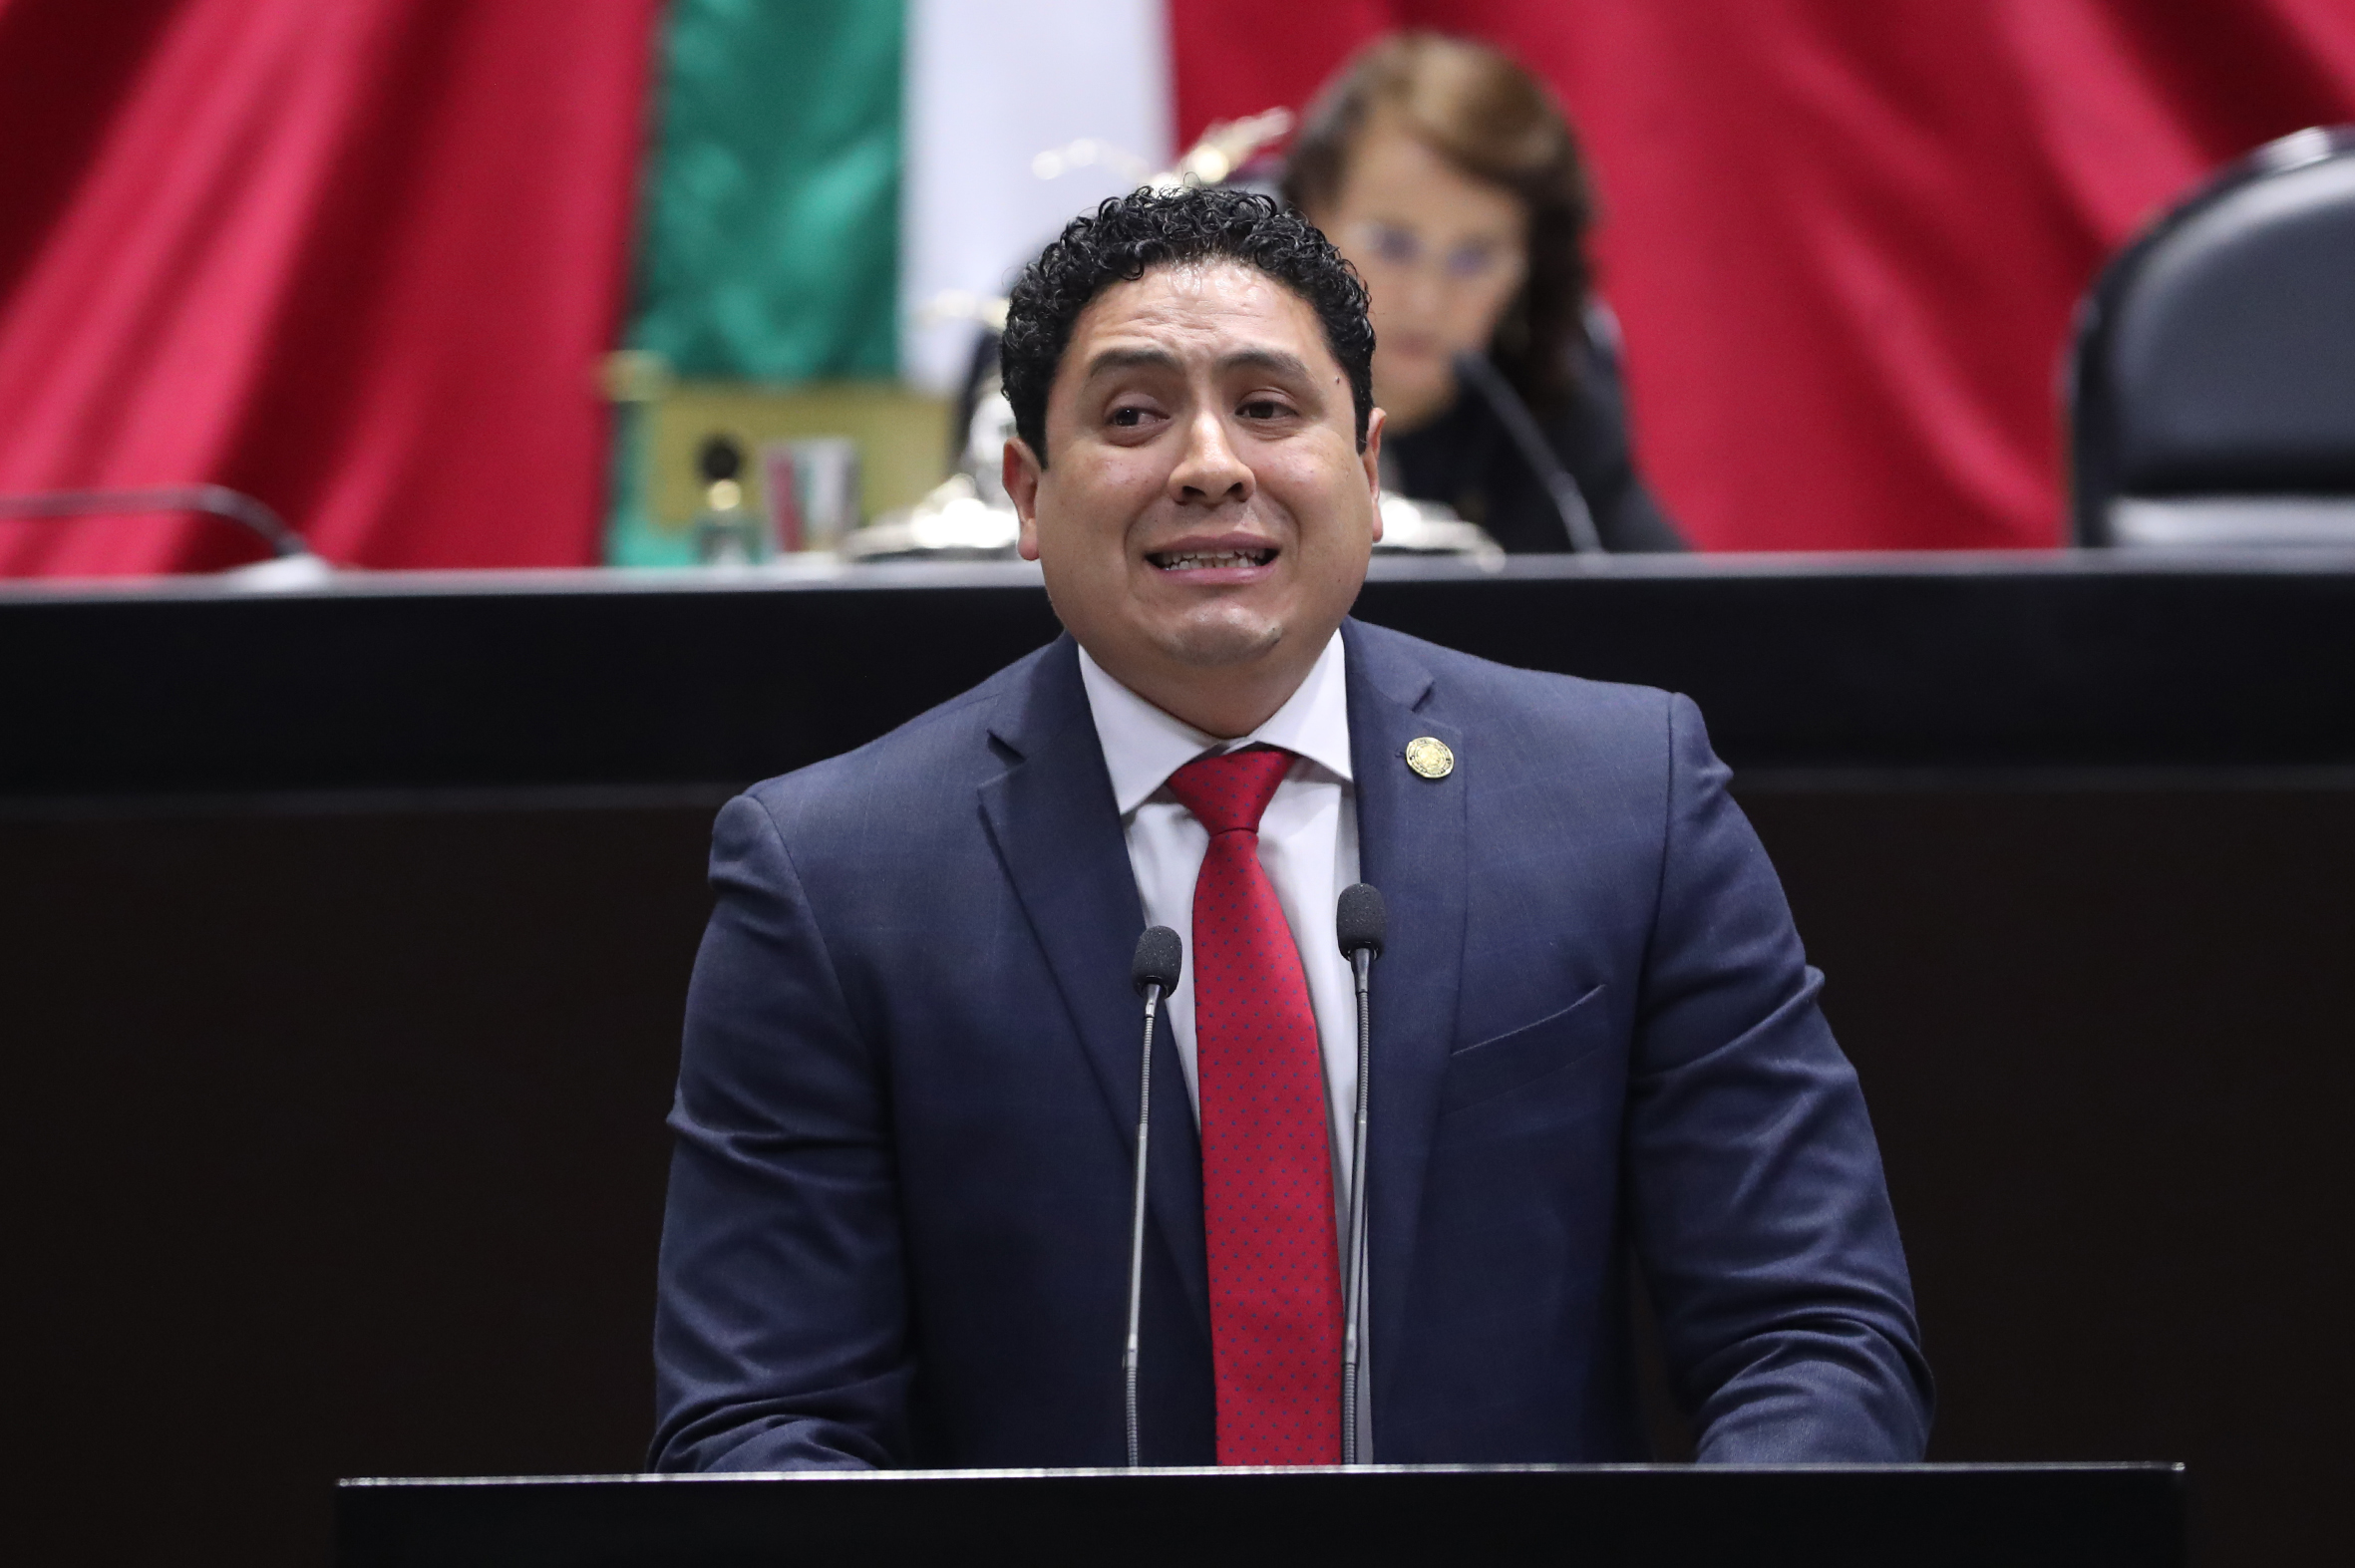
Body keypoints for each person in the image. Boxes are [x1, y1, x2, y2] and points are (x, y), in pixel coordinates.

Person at [650, 186, 1928, 1470]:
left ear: (1367, 476)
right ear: (1027, 494)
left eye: (1267, 408)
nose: (1211, 464)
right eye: (1134, 415)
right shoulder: (837, 877)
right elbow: (761, 1422)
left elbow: (1813, 1332)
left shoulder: (1623, 799)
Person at [1283, 32, 1685, 553]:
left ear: (1528, 267)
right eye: (1392, 245)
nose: (1426, 301)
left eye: (1473, 259)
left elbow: (1673, 597)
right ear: (1310, 218)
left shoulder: (1549, 410)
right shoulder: (1221, 394)